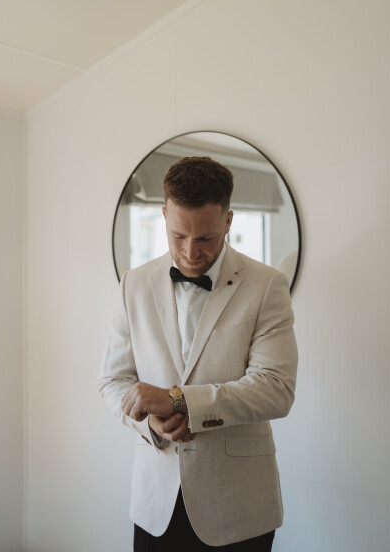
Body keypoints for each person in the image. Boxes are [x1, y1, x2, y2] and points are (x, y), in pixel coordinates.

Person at [98, 156, 298, 551]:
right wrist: (151, 425)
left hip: (239, 507)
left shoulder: (267, 286)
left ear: (228, 220)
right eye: (178, 235)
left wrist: (178, 400)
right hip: (155, 505)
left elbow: (276, 389)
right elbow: (112, 380)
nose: (190, 251)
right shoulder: (133, 284)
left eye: (206, 238)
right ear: (163, 215)